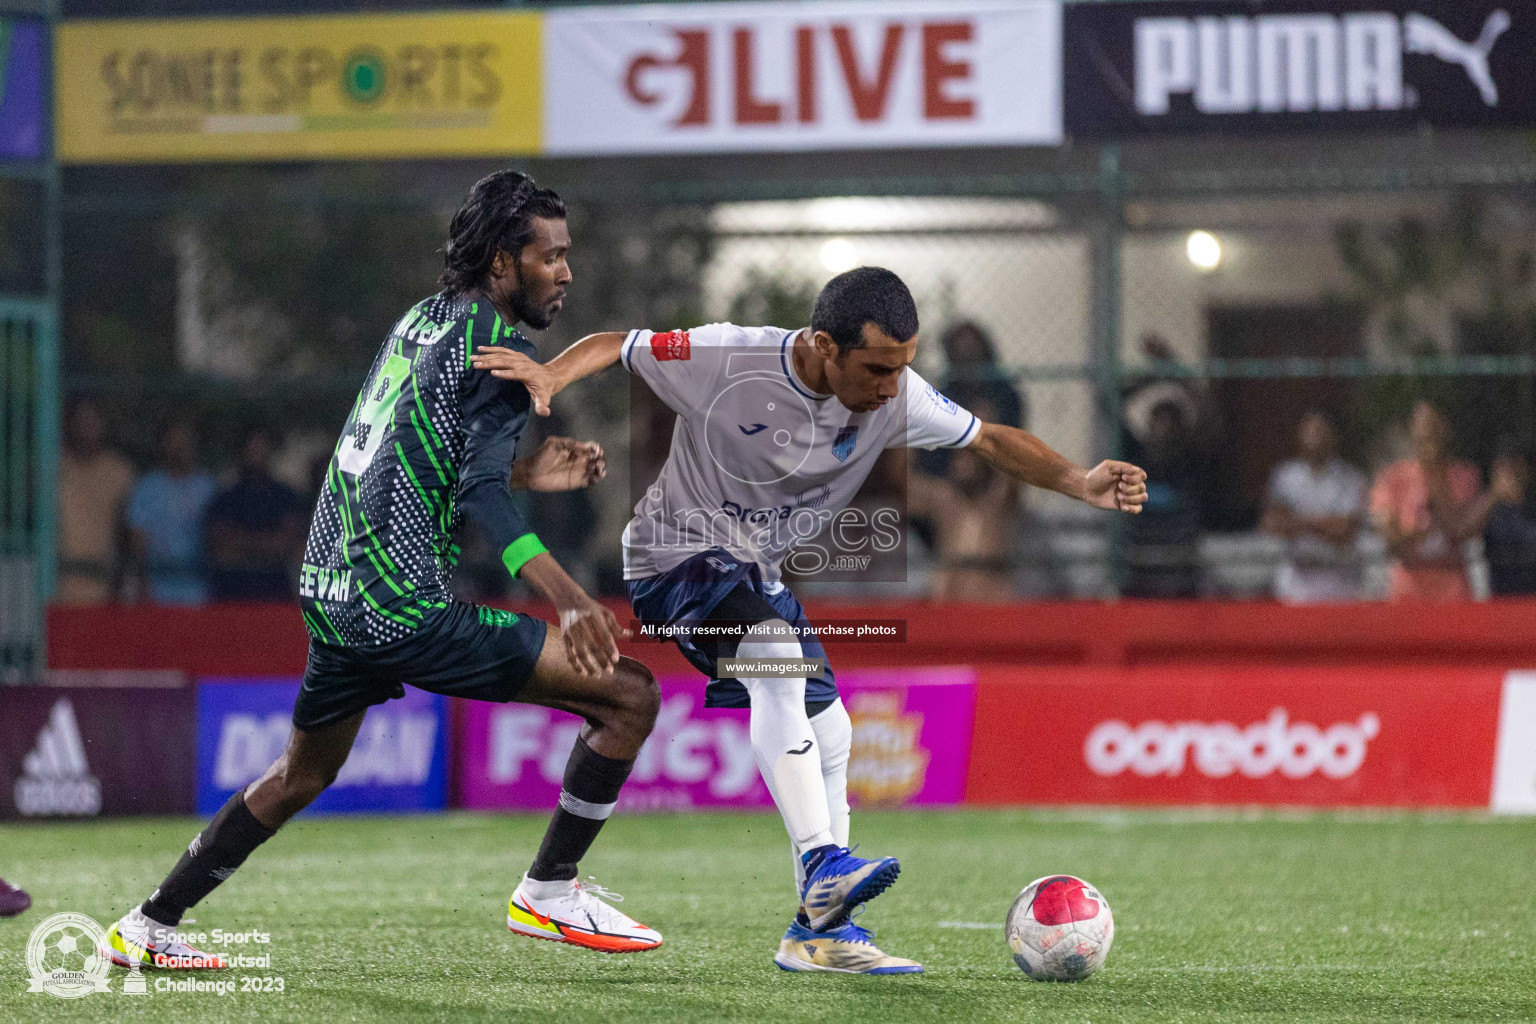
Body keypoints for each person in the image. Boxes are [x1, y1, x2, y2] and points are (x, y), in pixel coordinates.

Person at [471, 265, 1148, 974]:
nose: (891, 387)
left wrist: (1077, 480)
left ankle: (817, 931)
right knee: (773, 654)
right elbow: (619, 342)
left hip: (752, 573)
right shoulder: (730, 357)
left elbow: (986, 439)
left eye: (903, 368)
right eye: (877, 367)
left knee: (831, 727)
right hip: (675, 562)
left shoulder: (896, 395)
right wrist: (549, 376)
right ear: (824, 344)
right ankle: (824, 864)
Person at [99, 171, 664, 972]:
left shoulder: (424, 322)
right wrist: (569, 599)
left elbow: (413, 458)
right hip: (399, 604)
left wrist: (526, 472)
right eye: (552, 257)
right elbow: (476, 502)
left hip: (331, 587)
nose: (567, 273)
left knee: (302, 772)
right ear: (503, 264)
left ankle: (149, 925)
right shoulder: (504, 354)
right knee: (630, 696)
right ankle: (552, 889)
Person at [1371, 400, 1484, 602]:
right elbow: (1392, 542)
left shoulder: (1466, 476)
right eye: (1424, 425)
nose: (1430, 433)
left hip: (1454, 594)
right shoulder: (1392, 478)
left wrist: (1434, 477)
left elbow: (1460, 532)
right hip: (1407, 593)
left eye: (1435, 425)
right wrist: (1422, 530)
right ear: (1412, 430)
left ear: (1447, 429)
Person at [1260, 409, 1367, 603]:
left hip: (1339, 583)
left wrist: (1298, 522)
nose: (1314, 436)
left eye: (1320, 430)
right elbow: (1273, 525)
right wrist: (1325, 523)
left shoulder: (1351, 478)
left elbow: (1345, 530)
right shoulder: (1285, 476)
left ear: (1333, 436)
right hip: (1295, 583)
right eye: (1309, 430)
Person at [204, 426, 306, 602]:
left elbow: (290, 543)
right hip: (231, 595)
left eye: (260, 448)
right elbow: (220, 547)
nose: (256, 454)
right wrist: (268, 545)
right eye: (251, 449)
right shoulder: (225, 498)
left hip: (276, 594)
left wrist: (242, 544)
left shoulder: (285, 496)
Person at [125, 418, 216, 606]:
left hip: (199, 591)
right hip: (158, 591)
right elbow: (137, 541)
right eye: (173, 440)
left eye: (184, 439)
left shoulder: (208, 486)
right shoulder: (147, 487)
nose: (179, 446)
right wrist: (143, 585)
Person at [55, 396, 134, 604]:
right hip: (58, 591)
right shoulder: (53, 469)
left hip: (106, 592)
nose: (86, 426)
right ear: (69, 424)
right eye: (81, 420)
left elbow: (127, 533)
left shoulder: (120, 472)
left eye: (92, 420)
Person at [1481, 438, 1536, 596]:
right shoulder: (1488, 509)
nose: (1512, 473)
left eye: (1517, 466)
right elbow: (1459, 532)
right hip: (1501, 601)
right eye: (1504, 467)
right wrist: (1494, 494)